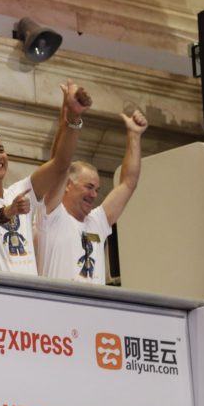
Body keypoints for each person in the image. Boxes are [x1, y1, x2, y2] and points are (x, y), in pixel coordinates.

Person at [0, 78, 92, 274]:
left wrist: (74, 118)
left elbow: (60, 164)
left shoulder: (20, 191)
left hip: (30, 297)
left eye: (1, 149)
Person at [36, 110, 148, 283]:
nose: (94, 195)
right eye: (89, 187)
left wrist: (134, 135)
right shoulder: (52, 215)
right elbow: (58, 165)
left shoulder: (97, 222)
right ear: (67, 185)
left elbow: (128, 183)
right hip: (57, 307)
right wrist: (70, 122)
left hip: (94, 308)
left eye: (96, 189)